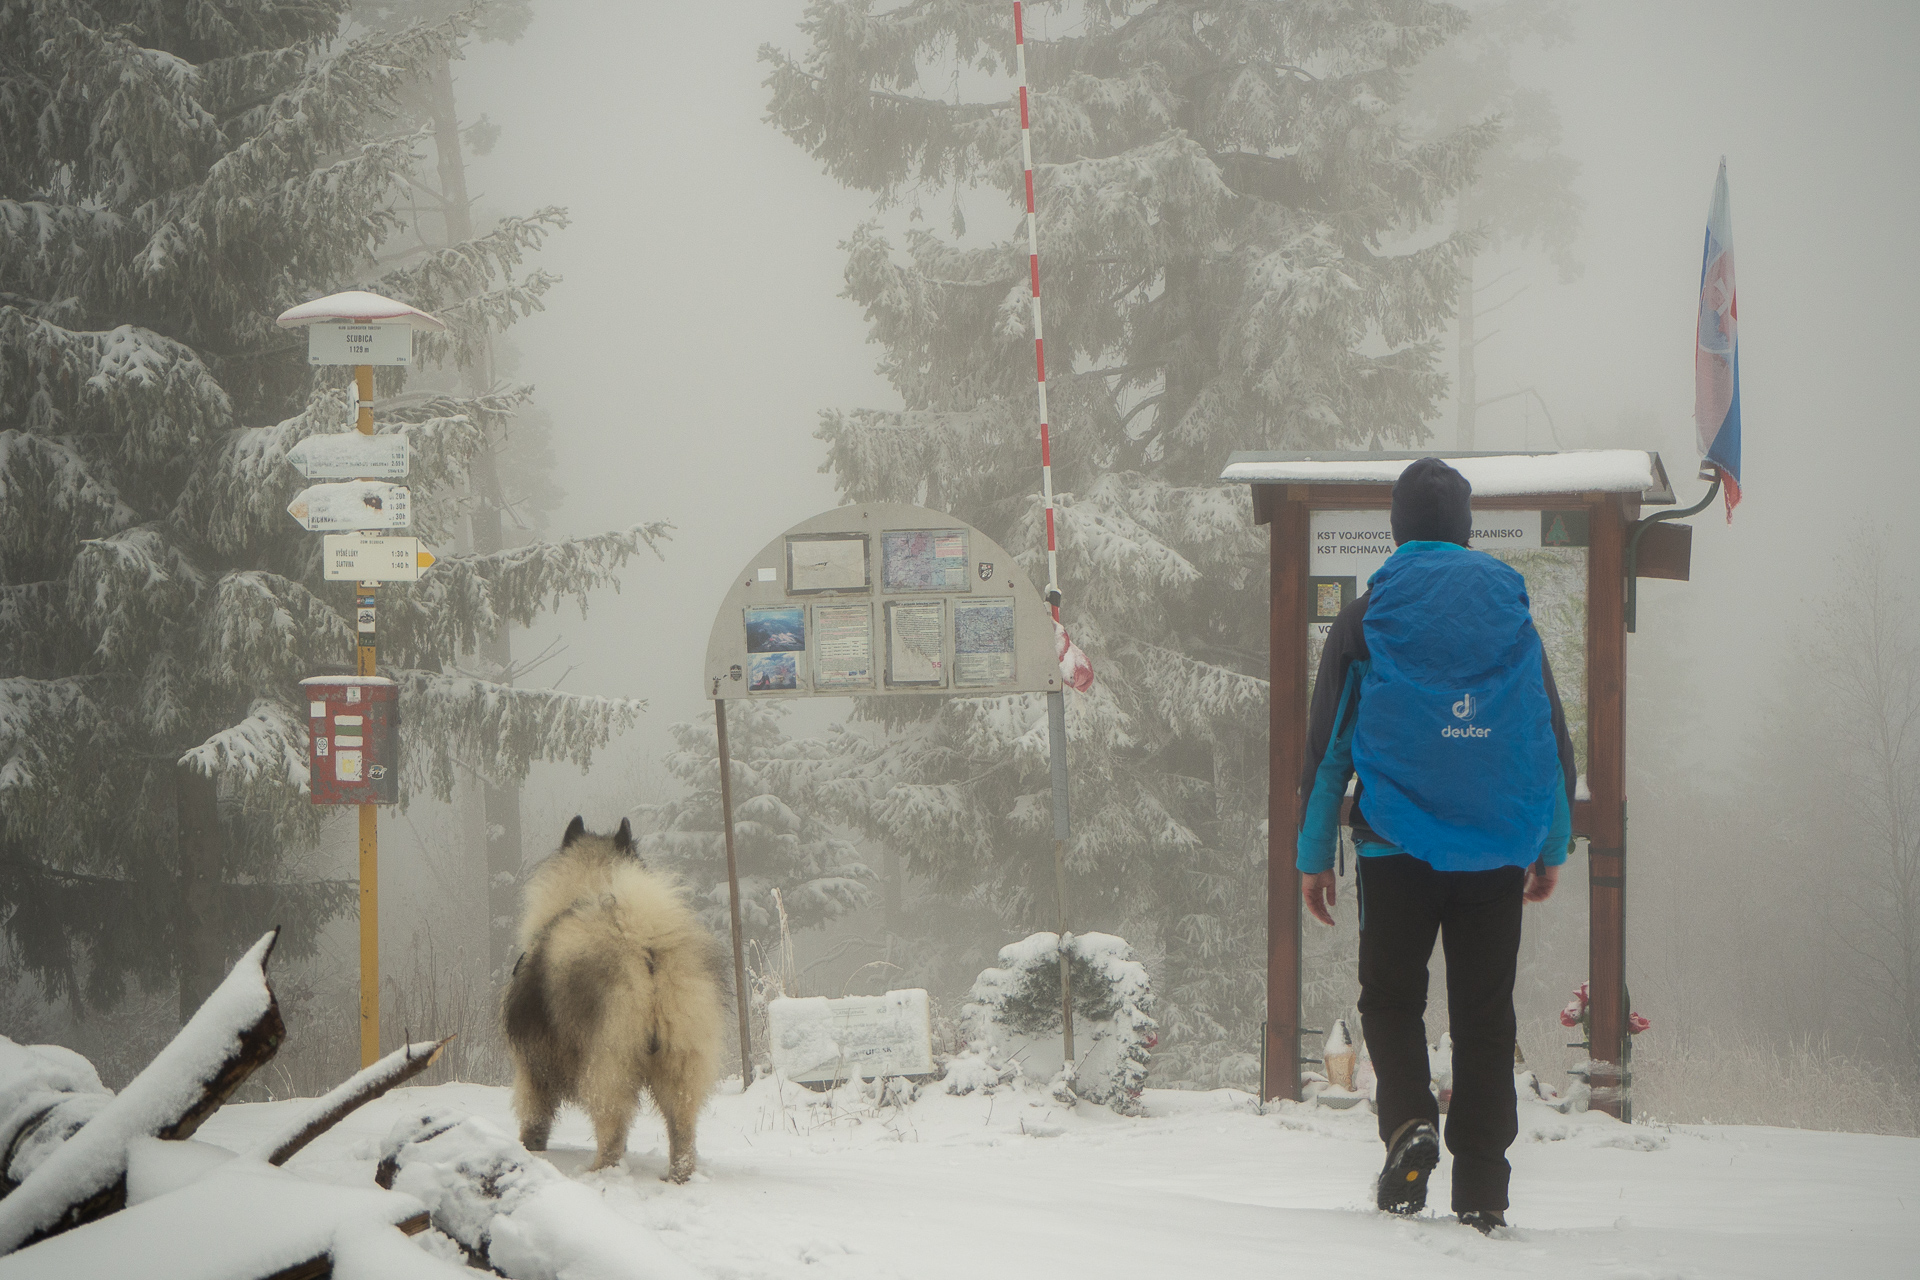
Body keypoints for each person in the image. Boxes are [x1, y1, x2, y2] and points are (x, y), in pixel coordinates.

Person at [1296, 457, 1575, 1235]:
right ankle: (1483, 1183)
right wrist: (1551, 843)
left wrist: (1314, 854)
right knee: (1485, 1015)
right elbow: (1542, 736)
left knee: (1391, 1000)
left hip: (1395, 849)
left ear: (1396, 526)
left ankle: (1409, 1124)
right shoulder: (1508, 608)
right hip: (1494, 853)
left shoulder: (1369, 612)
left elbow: (1332, 747)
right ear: (1464, 526)